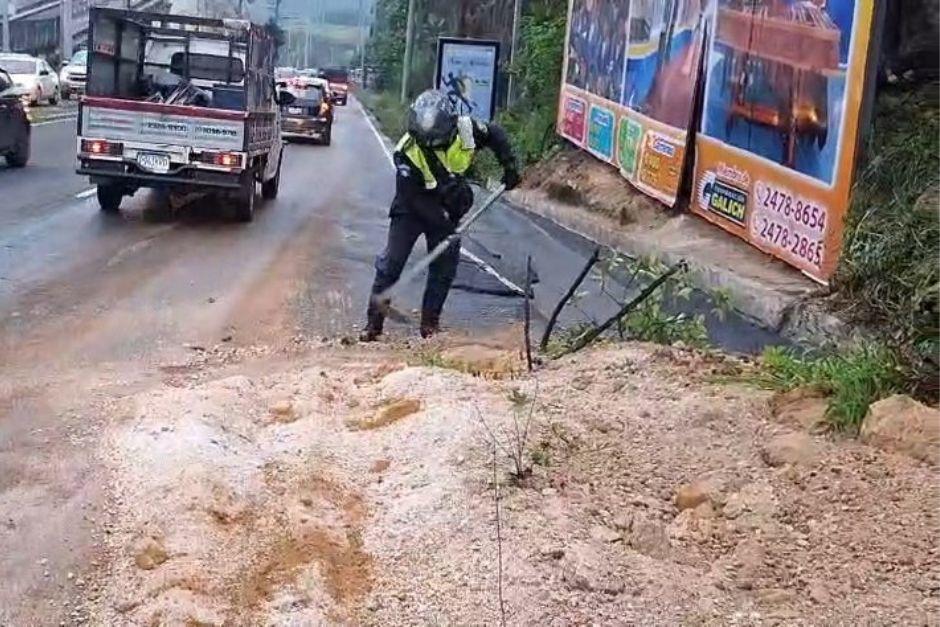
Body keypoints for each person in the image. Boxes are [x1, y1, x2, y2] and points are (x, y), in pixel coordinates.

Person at [360, 89, 521, 342]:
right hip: (411, 208)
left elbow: (496, 134)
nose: (432, 144)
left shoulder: (467, 129)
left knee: (443, 269)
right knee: (392, 263)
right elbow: (412, 196)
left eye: (437, 139)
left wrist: (509, 164)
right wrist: (445, 220)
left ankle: (429, 325)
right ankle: (373, 324)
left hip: (447, 200)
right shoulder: (406, 151)